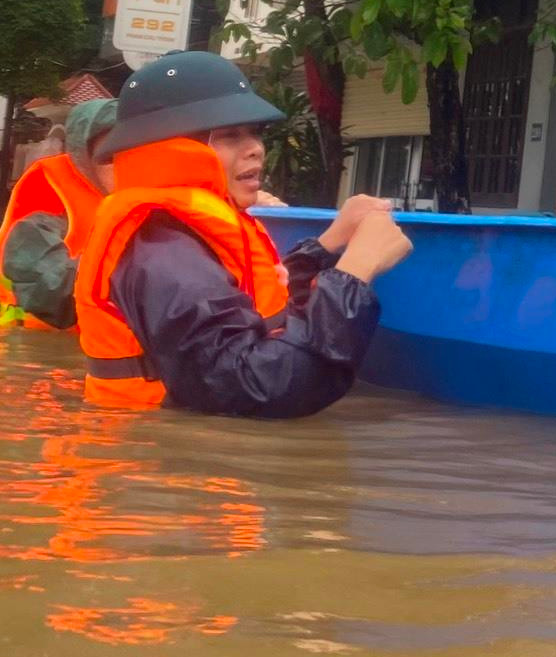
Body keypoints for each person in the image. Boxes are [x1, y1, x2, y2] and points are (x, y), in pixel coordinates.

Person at [76, 50, 410, 418]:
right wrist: (354, 274)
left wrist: (327, 245)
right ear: (171, 148)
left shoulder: (179, 234)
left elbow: (249, 306)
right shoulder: (164, 252)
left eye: (255, 132)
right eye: (230, 136)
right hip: (169, 462)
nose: (256, 149)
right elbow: (257, 389)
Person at [0, 96, 116, 331]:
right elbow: (49, 292)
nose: (122, 163)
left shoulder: (143, 198)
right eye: (108, 156)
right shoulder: (49, 200)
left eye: (132, 152)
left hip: (102, 352)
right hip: (35, 354)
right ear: (84, 154)